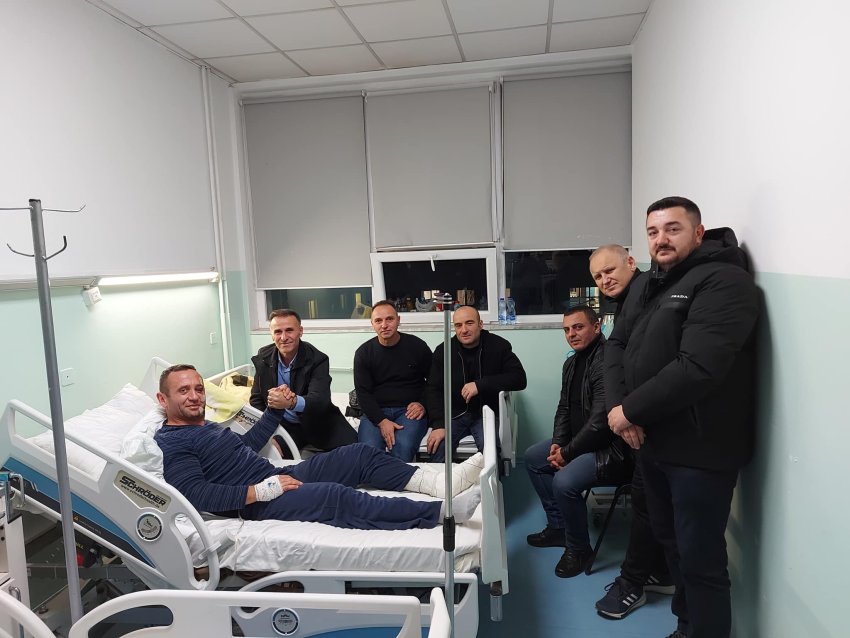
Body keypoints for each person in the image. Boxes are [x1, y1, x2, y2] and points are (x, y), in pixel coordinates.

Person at [605, 197, 759, 638]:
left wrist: (628, 410)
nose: (661, 239)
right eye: (653, 232)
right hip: (651, 443)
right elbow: (617, 346)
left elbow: (697, 367)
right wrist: (620, 409)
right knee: (671, 546)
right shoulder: (649, 284)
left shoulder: (724, 282)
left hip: (700, 450)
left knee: (700, 560)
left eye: (673, 229)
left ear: (698, 233)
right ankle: (686, 626)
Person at [155, 365, 483, 530]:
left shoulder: (206, 425)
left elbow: (247, 446)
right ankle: (440, 514)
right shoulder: (172, 441)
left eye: (199, 388)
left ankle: (438, 484)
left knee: (358, 454)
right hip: (256, 503)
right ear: (162, 399)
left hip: (278, 476)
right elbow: (195, 494)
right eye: (184, 391)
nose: (195, 396)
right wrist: (259, 492)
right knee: (334, 496)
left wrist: (275, 411)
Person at [589, 245, 674, 619]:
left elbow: (654, 364)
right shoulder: (627, 303)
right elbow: (617, 358)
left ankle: (633, 583)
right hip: (636, 421)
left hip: (654, 424)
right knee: (652, 505)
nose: (604, 279)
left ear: (630, 261)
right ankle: (662, 572)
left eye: (609, 270)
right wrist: (619, 412)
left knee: (647, 504)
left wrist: (628, 413)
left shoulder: (646, 294)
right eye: (597, 276)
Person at [524, 305, 632, 578]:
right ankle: (559, 527)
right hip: (579, 441)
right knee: (534, 458)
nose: (571, 334)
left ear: (597, 326)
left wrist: (567, 453)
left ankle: (579, 548)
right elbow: (564, 407)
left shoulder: (608, 361)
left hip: (612, 449)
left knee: (564, 482)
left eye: (578, 327)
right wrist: (559, 442)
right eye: (566, 330)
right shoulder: (571, 363)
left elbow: (600, 422)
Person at [425, 305, 527, 462]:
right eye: (458, 325)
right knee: (437, 447)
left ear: (480, 324)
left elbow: (519, 379)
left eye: (469, 323)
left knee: (491, 453)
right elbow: (433, 389)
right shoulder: (443, 351)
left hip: (487, 414)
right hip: (455, 414)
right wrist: (438, 425)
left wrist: (480, 385)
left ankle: (491, 480)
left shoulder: (498, 346)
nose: (464, 330)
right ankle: (445, 480)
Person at [250, 309, 357, 456]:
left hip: (318, 421)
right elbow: (256, 400)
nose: (283, 337)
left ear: (300, 331)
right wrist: (269, 430)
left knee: (356, 452)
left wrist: (291, 402)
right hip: (284, 426)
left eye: (289, 330)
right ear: (271, 334)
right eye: (278, 332)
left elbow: (320, 400)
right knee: (269, 453)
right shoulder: (263, 357)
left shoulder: (317, 359)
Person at [354, 300, 433, 461]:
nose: (384, 325)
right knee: (368, 451)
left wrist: (423, 404)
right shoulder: (364, 353)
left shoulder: (417, 346)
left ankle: (398, 478)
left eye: (389, 319)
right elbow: (363, 393)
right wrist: (382, 421)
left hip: (409, 411)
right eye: (378, 321)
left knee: (403, 447)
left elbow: (434, 381)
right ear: (372, 324)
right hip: (376, 411)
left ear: (398, 320)